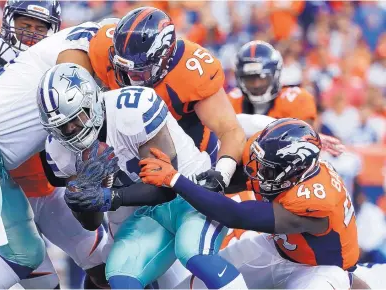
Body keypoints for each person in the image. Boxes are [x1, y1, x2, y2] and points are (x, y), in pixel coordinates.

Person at [38, 63, 248, 289]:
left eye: (76, 118)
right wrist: (85, 193)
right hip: (141, 216)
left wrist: (109, 196)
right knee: (119, 275)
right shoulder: (58, 150)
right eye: (61, 127)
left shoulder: (133, 109)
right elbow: (91, 224)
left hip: (192, 194)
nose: (71, 130)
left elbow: (165, 188)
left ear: (93, 102)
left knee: (195, 253)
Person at [139, 118, 359, 289]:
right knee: (201, 283)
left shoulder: (315, 203)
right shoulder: (289, 169)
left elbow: (235, 215)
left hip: (320, 269)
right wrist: (186, 179)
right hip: (279, 246)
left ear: (294, 171)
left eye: (268, 169)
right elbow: (226, 181)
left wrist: (175, 179)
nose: (259, 172)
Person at [0, 12, 114, 288]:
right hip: (9, 183)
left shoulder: (69, 59)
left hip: (45, 189)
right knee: (28, 259)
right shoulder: (74, 57)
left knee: (105, 271)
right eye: (25, 24)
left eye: (40, 26)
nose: (32, 33)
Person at [85, 6, 246, 190]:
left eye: (139, 71)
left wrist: (221, 173)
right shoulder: (102, 46)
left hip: (185, 149)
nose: (129, 77)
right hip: (123, 143)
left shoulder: (191, 69)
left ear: (164, 59)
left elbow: (231, 131)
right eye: (123, 69)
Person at [228, 40, 317, 126]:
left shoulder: (295, 98)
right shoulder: (231, 101)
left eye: (262, 78)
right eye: (250, 79)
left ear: (276, 75)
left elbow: (303, 135)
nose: (256, 85)